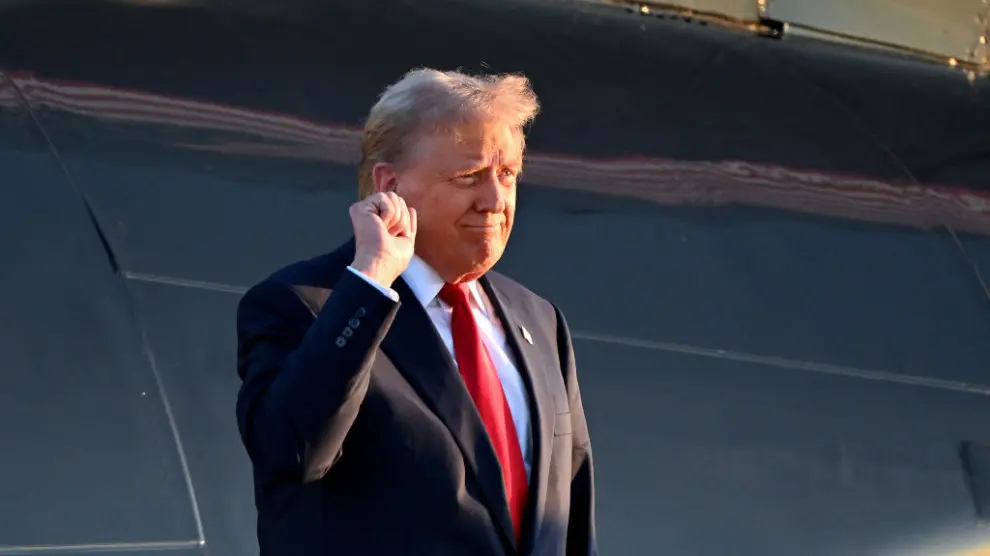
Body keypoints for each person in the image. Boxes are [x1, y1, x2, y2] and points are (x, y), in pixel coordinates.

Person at [235, 68, 597, 556]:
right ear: (390, 185)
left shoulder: (540, 321)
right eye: (469, 177)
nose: (495, 200)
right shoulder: (310, 305)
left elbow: (570, 521)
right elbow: (293, 453)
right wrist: (370, 282)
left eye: (507, 174)